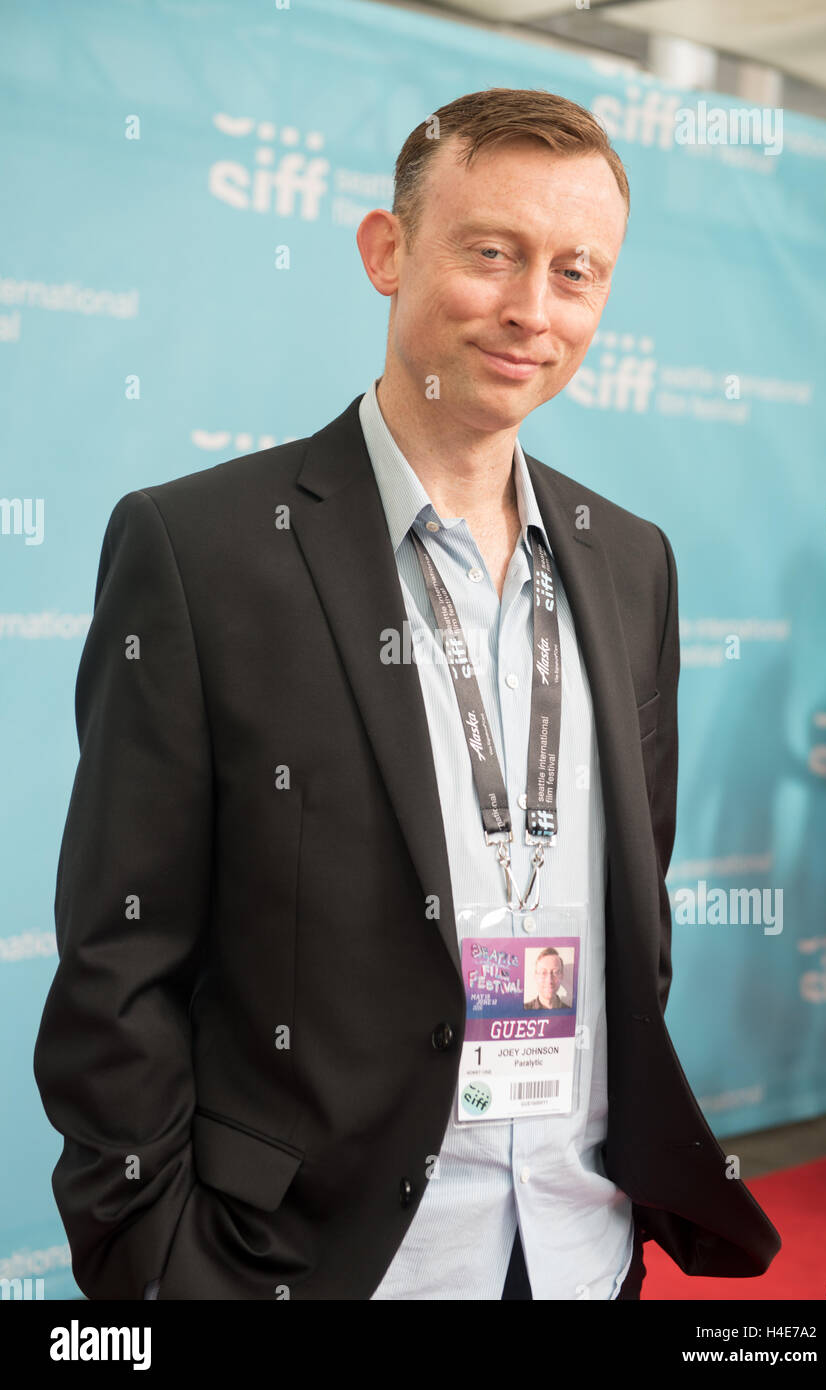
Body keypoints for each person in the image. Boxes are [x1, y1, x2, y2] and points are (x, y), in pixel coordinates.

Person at [33, 87, 781, 1301]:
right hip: (320, 1263)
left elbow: (632, 925)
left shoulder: (631, 559)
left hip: (582, 1248)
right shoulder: (205, 548)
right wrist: (157, 1269)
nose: (535, 309)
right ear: (388, 251)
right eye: (493, 253)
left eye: (578, 272)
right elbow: (120, 962)